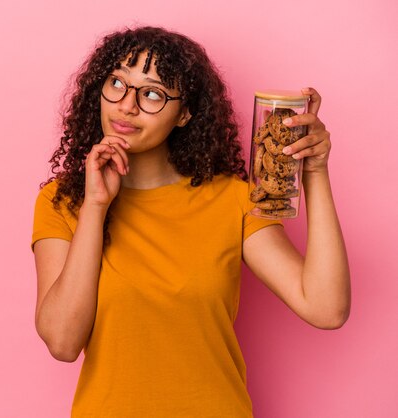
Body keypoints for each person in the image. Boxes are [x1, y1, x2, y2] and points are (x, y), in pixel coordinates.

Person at [30, 26, 350, 417]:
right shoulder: (63, 202)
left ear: (184, 114)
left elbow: (325, 308)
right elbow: (63, 343)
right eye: (117, 83)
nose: (127, 106)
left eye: (152, 93)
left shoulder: (232, 199)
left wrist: (314, 172)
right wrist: (96, 206)